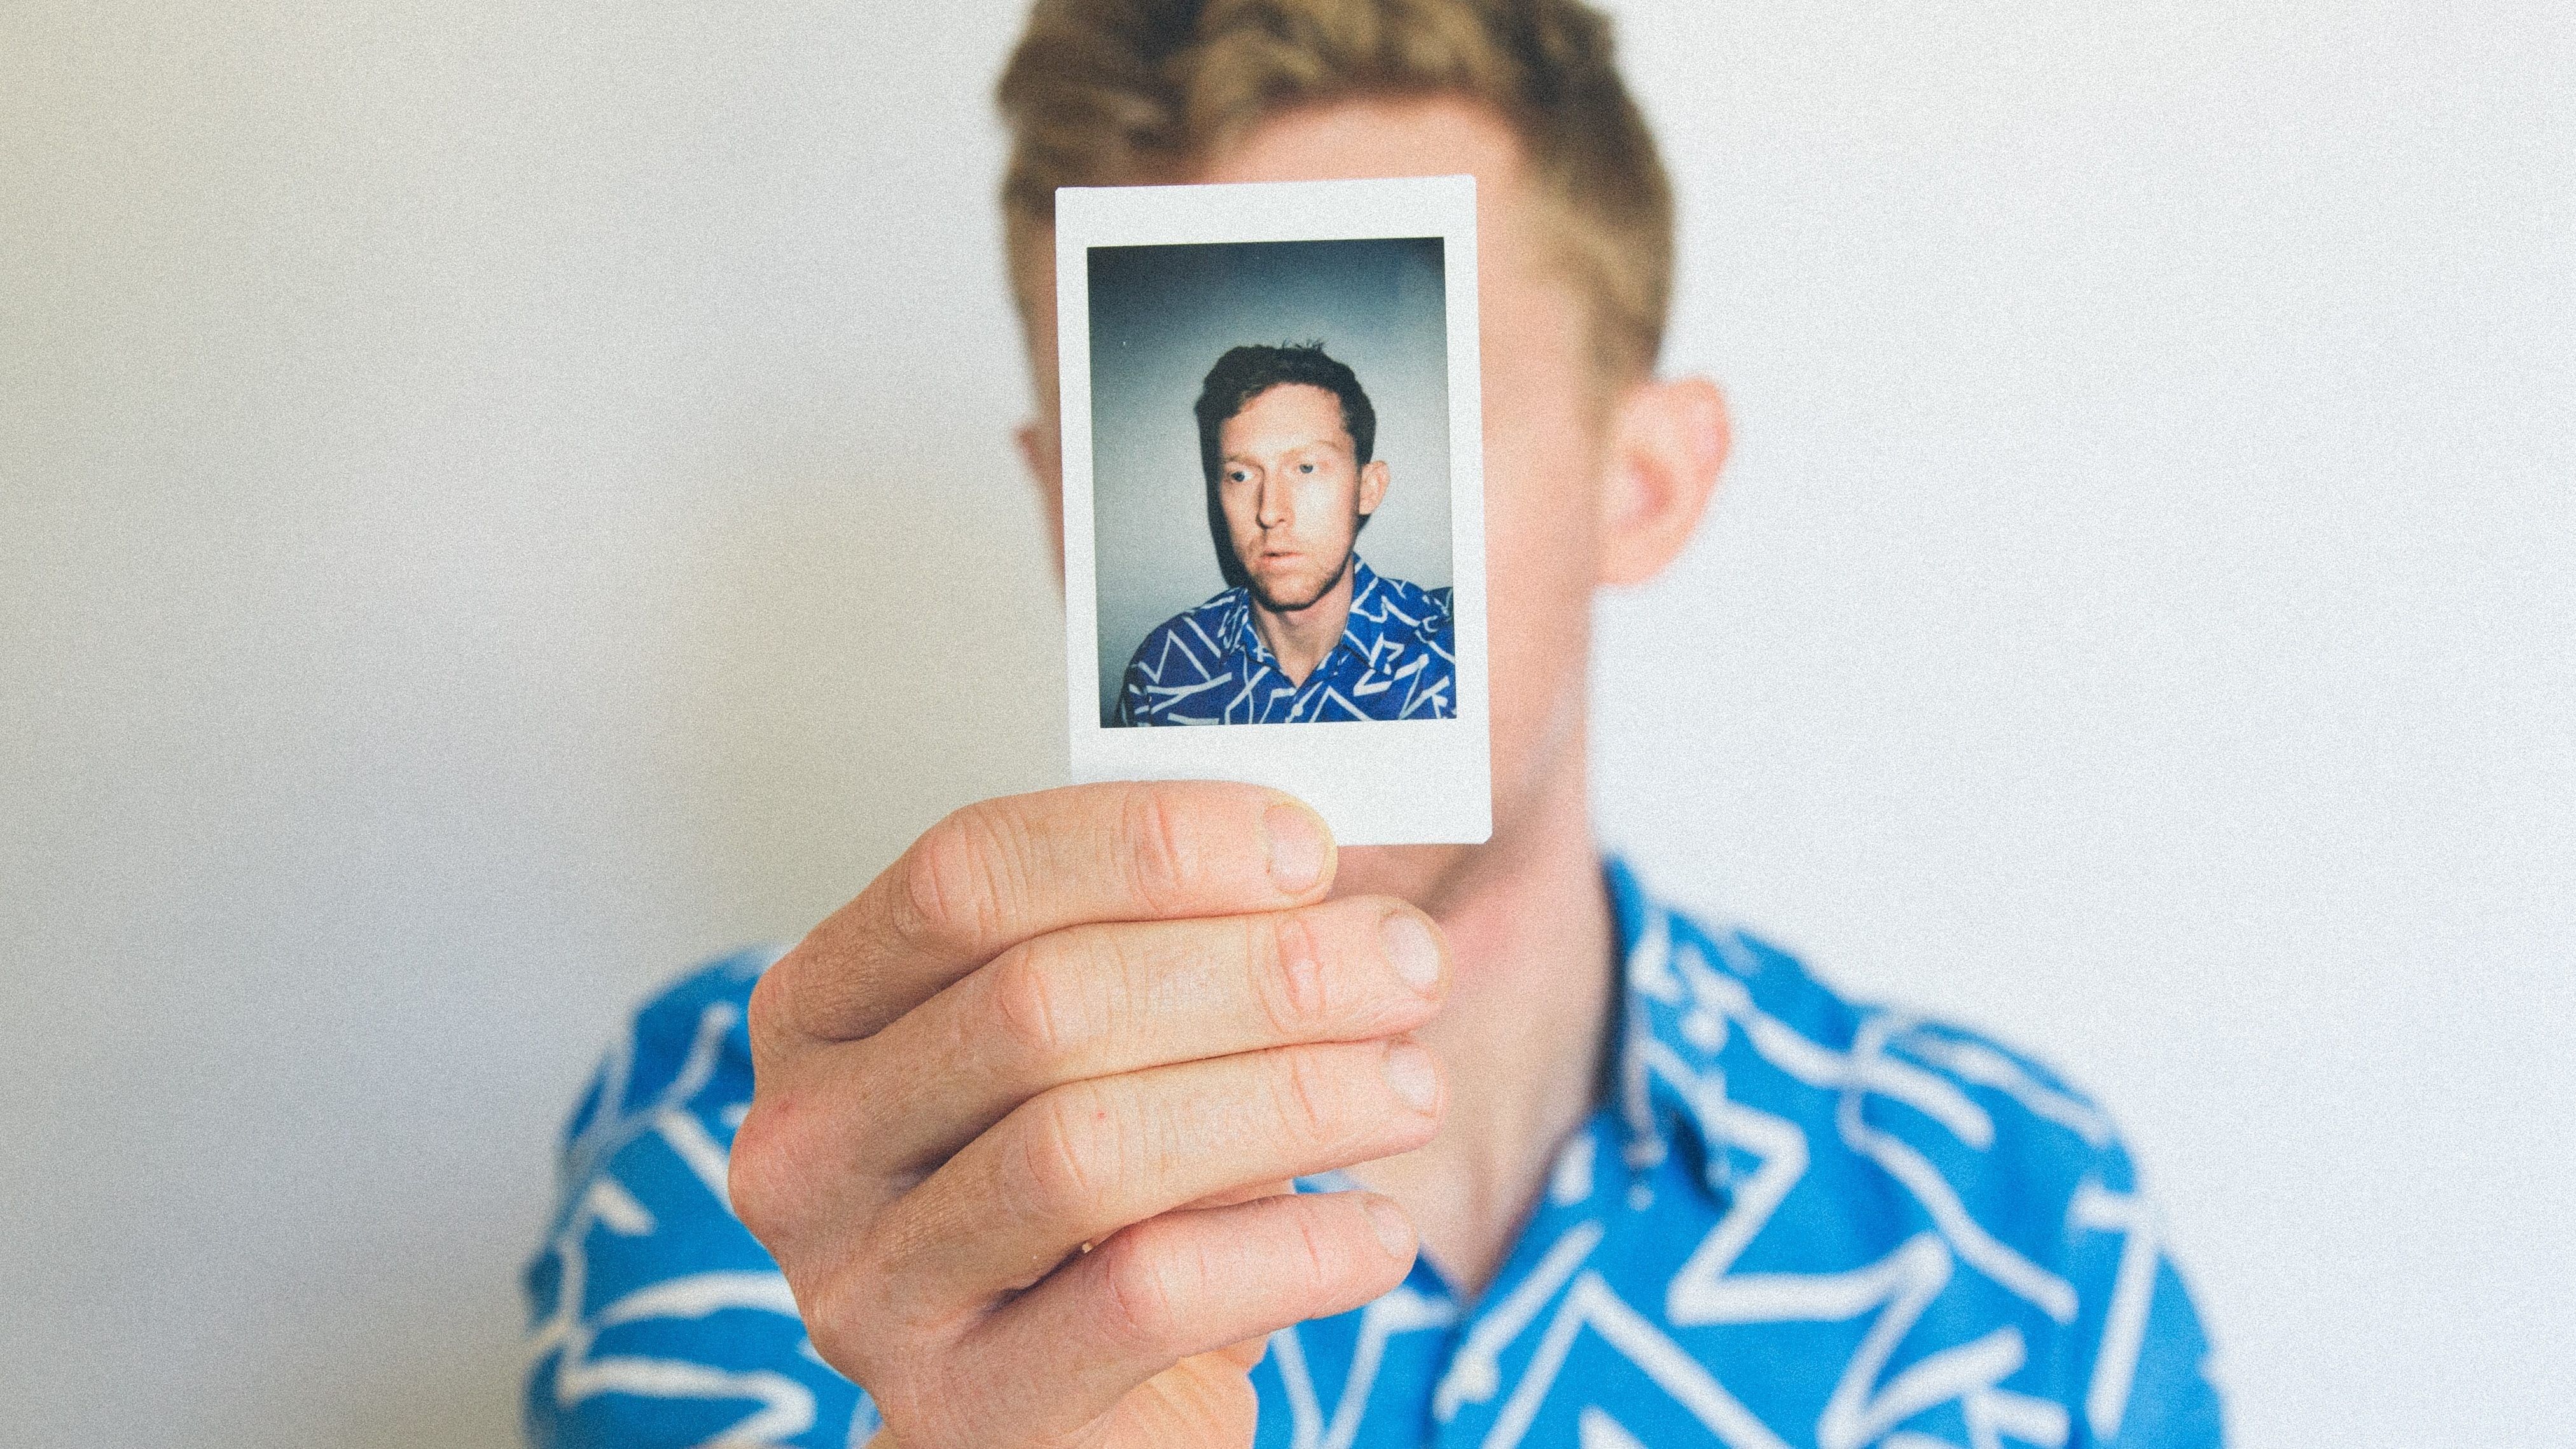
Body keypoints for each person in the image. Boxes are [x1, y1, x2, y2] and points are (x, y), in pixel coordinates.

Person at [523, 3, 2227, 1446]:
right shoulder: (784, 1159)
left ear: (1639, 482)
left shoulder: (2014, 1228)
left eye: (1389, 415)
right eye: (1209, 469)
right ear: (1074, 517)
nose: (1276, 522)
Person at [1117, 342, 1458, 726]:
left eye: (1307, 468)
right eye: (1241, 475)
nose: (1269, 512)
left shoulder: (1456, 657)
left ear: (1369, 488)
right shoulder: (1163, 672)